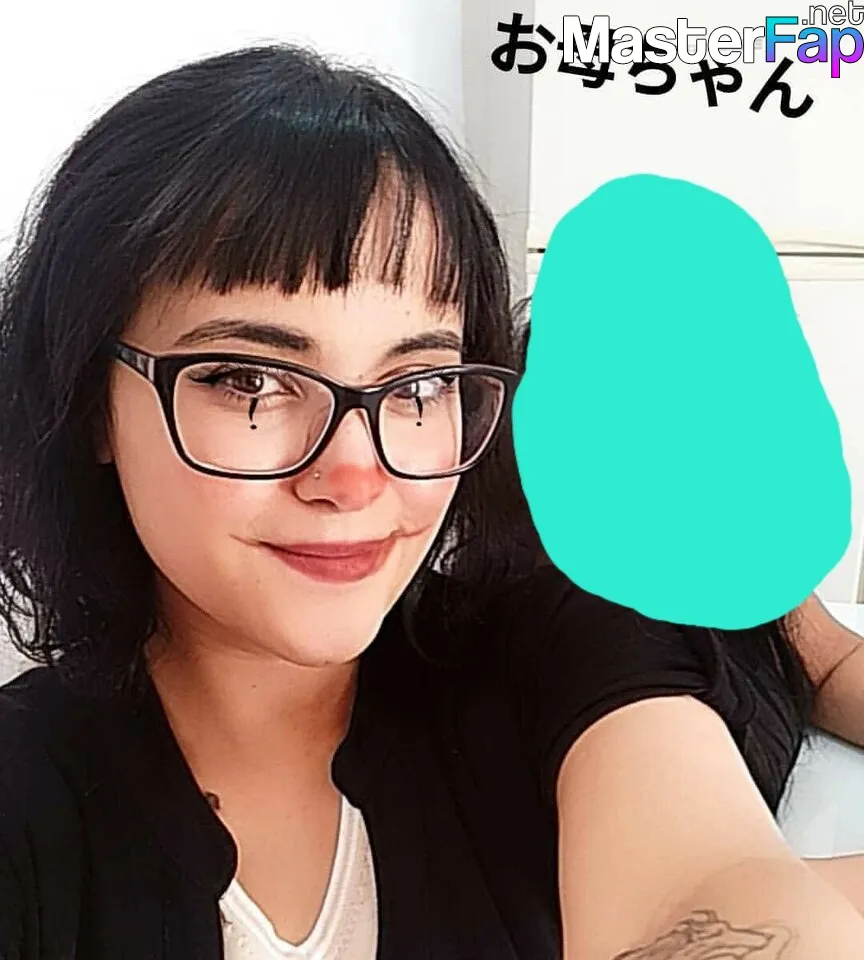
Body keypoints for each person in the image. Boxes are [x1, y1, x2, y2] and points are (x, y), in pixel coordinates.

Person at [0, 42, 862, 960]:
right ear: (89, 399)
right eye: (249, 379)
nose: (354, 475)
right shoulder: (32, 803)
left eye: (418, 384)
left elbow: (708, 886)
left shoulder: (557, 636)